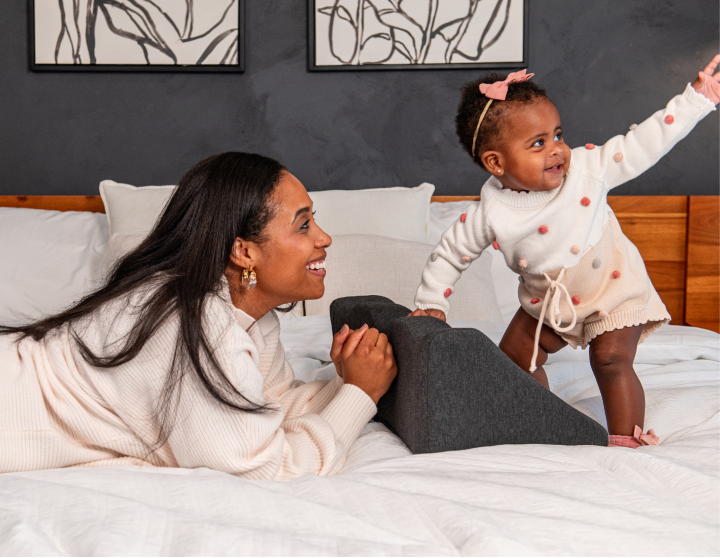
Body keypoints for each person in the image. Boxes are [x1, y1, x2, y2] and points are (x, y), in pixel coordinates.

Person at [0, 152, 397, 479]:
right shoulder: (195, 322)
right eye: (304, 225)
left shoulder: (250, 318)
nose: (323, 238)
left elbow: (265, 409)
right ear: (244, 252)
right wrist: (361, 395)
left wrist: (348, 381)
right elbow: (269, 470)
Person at [411, 56, 720, 448]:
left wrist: (695, 100)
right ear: (496, 162)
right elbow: (449, 254)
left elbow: (643, 144)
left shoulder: (588, 170)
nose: (557, 149)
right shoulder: (488, 213)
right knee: (514, 360)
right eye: (538, 143)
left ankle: (628, 440)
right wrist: (431, 303)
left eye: (558, 134)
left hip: (612, 286)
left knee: (609, 359)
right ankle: (542, 420)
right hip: (549, 304)